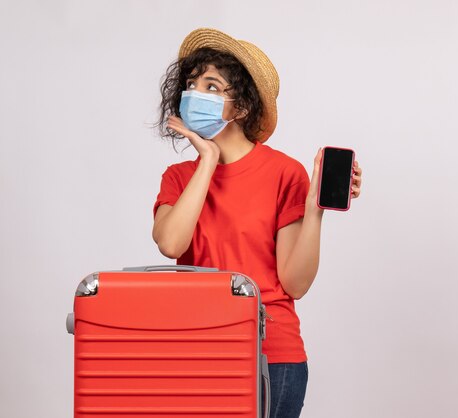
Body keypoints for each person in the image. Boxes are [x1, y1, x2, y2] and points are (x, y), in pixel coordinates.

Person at [151, 27, 362, 418]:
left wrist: (314, 208)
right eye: (192, 84)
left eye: (212, 86)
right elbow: (171, 244)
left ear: (242, 107)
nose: (195, 92)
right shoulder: (178, 177)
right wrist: (208, 161)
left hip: (272, 356)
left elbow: (295, 283)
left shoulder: (284, 172)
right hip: (197, 348)